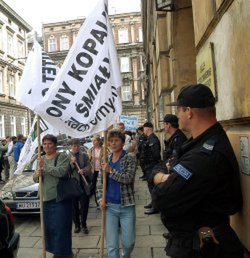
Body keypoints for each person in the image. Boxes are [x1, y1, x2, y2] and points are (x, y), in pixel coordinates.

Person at [152, 84, 244, 258]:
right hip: (194, 243)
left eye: (179, 110)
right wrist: (166, 176)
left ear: (189, 111)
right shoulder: (198, 143)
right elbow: (164, 164)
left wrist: (160, 178)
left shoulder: (204, 155)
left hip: (203, 248)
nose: (177, 115)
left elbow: (161, 198)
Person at [97, 130, 137, 258]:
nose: (113, 143)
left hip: (126, 206)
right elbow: (99, 183)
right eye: (111, 141)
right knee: (111, 245)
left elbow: (128, 178)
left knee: (128, 242)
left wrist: (110, 171)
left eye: (116, 141)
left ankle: (126, 255)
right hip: (109, 207)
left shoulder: (129, 157)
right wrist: (100, 200)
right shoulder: (105, 159)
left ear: (122, 142)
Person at [33, 134, 73, 258]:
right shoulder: (41, 158)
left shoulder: (62, 157)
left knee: (62, 228)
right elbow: (35, 179)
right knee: (50, 229)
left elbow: (61, 172)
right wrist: (38, 173)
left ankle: (63, 254)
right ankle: (58, 252)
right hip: (45, 199)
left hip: (60, 199)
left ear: (55, 145)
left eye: (49, 143)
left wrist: (44, 166)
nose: (46, 146)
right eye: (44, 144)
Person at [69, 138, 92, 234]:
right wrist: (72, 163)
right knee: (73, 207)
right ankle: (77, 225)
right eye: (74, 146)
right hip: (73, 185)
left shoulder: (84, 155)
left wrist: (84, 170)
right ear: (71, 147)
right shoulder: (67, 156)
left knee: (84, 206)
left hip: (83, 184)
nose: (76, 147)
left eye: (77, 145)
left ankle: (83, 225)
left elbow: (89, 166)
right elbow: (66, 170)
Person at [142, 122, 161, 215]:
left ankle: (155, 206)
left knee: (153, 187)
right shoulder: (149, 138)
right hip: (149, 166)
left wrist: (152, 164)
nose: (143, 130)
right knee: (150, 186)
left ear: (148, 128)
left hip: (152, 166)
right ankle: (153, 202)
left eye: (144, 128)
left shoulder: (153, 139)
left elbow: (156, 154)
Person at [88, 135, 105, 207]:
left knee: (102, 186)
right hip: (93, 170)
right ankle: (97, 202)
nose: (93, 142)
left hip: (101, 170)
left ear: (98, 141)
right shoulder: (91, 150)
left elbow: (107, 157)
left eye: (95, 140)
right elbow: (88, 159)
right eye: (93, 141)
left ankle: (103, 200)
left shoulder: (103, 149)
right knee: (94, 186)